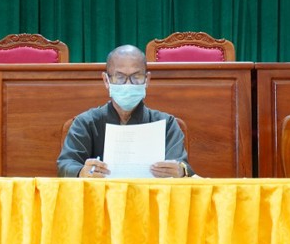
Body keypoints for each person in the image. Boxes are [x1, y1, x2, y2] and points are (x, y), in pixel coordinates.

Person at [57, 44, 193, 178]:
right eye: (120, 77)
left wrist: (180, 171)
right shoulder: (86, 122)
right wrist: (81, 172)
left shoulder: (166, 124)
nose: (128, 84)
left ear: (147, 80)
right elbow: (66, 164)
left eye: (136, 77)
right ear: (106, 80)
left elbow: (182, 166)